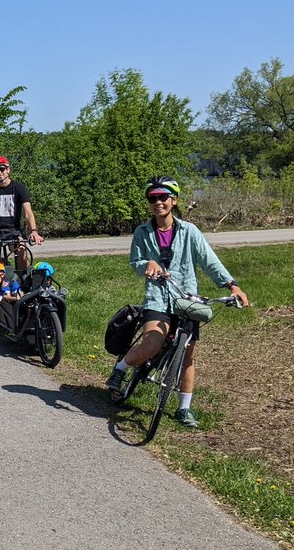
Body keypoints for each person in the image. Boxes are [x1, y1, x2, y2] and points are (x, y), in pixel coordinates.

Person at [105, 176, 250, 428]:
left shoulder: (189, 231)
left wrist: (232, 285)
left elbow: (209, 261)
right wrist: (147, 264)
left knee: (188, 355)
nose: (158, 202)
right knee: (152, 342)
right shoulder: (142, 232)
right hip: (158, 298)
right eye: (152, 198)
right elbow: (135, 262)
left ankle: (184, 408)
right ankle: (121, 368)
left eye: (163, 197)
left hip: (187, 299)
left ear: (174, 201)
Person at [0, 156, 43, 326]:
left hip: (13, 232)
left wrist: (34, 231)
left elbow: (28, 212)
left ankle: (23, 301)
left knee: (23, 257)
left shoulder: (18, 187)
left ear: (8, 169)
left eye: (2, 168)